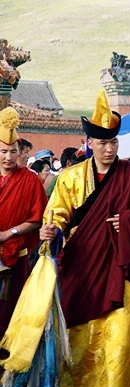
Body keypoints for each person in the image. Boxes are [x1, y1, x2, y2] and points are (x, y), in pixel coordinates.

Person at [38, 90, 130, 387]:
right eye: (102, 143)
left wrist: (129, 222)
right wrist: (50, 231)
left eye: (113, 142)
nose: (109, 149)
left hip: (126, 267)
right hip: (83, 266)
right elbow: (57, 217)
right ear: (89, 142)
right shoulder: (70, 178)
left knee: (119, 331)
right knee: (82, 329)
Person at [0, 107, 47, 344]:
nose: (8, 157)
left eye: (13, 152)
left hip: (16, 255)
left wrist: (10, 232)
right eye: (3, 151)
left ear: (20, 152)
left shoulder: (29, 180)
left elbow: (37, 219)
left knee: (11, 306)